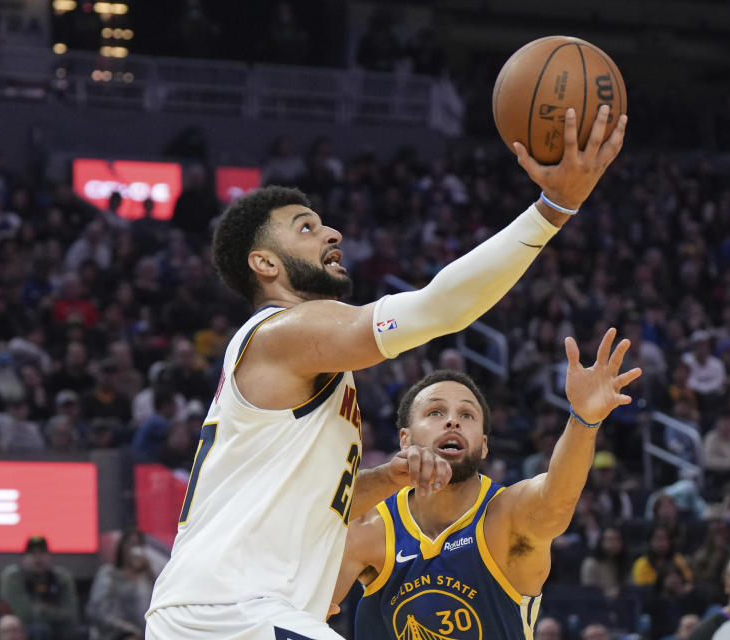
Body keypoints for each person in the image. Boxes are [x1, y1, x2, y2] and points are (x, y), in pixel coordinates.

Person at [146, 105, 629, 640]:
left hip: (227, 614)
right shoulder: (285, 332)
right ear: (266, 264)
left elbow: (319, 509)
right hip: (233, 613)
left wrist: (387, 478)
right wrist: (552, 208)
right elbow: (440, 308)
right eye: (306, 228)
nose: (331, 233)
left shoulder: (301, 362)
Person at [333, 329, 641, 639]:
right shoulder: (370, 525)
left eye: (466, 414)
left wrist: (584, 420)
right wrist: (386, 476)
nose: (452, 421)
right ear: (405, 439)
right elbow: (302, 602)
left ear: (483, 446)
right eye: (435, 412)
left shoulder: (506, 516)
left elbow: (556, 498)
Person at [0, 536, 81, 640]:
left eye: (42, 553)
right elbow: (24, 613)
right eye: (32, 554)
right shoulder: (13, 576)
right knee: (39, 630)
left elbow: (70, 614)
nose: (38, 558)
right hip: (21, 626)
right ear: (24, 557)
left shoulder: (60, 577)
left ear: (49, 557)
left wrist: (41, 610)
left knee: (75, 631)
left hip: (57, 626)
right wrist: (51, 611)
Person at [87, 529, 156, 640]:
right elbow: (98, 611)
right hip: (114, 634)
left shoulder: (147, 577)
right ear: (122, 547)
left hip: (145, 635)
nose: (136, 549)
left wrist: (149, 571)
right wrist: (128, 631)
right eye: (132, 544)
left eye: (139, 545)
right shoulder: (109, 573)